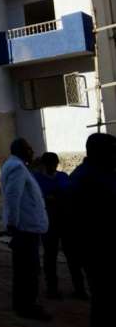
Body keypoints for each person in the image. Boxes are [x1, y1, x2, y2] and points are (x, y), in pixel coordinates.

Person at [0, 138, 51, 322]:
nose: (32, 151)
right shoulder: (17, 168)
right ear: (21, 151)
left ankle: (21, 304)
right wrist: (13, 224)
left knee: (23, 269)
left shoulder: (15, 165)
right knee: (29, 270)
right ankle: (28, 306)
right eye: (29, 149)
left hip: (23, 226)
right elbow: (13, 196)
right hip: (25, 227)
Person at [70, 133, 116, 327]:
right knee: (104, 300)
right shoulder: (85, 179)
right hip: (99, 251)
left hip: (101, 248)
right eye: (113, 151)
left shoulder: (103, 173)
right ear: (100, 153)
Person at [33, 152, 87, 299]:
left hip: (65, 222)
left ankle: (79, 289)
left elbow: (68, 195)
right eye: (51, 165)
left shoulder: (61, 176)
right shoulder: (39, 179)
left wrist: (53, 197)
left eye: (54, 164)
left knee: (71, 256)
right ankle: (53, 289)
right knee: (51, 257)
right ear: (44, 165)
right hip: (50, 223)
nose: (53, 167)